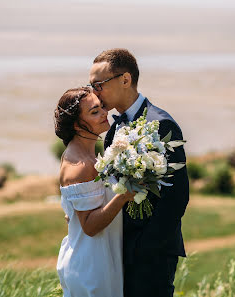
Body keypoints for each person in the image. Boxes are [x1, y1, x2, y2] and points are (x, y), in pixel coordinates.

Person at [89, 48, 189, 297]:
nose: (94, 93)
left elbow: (177, 198)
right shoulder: (113, 130)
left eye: (99, 84)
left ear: (125, 79)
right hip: (120, 250)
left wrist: (145, 248)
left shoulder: (162, 124)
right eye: (91, 86)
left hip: (152, 254)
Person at [54, 86, 135, 297]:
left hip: (100, 257)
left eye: (101, 108)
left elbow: (75, 211)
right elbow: (89, 226)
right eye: (94, 112)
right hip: (92, 267)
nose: (104, 113)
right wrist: (125, 195)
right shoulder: (79, 165)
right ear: (77, 125)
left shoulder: (85, 154)